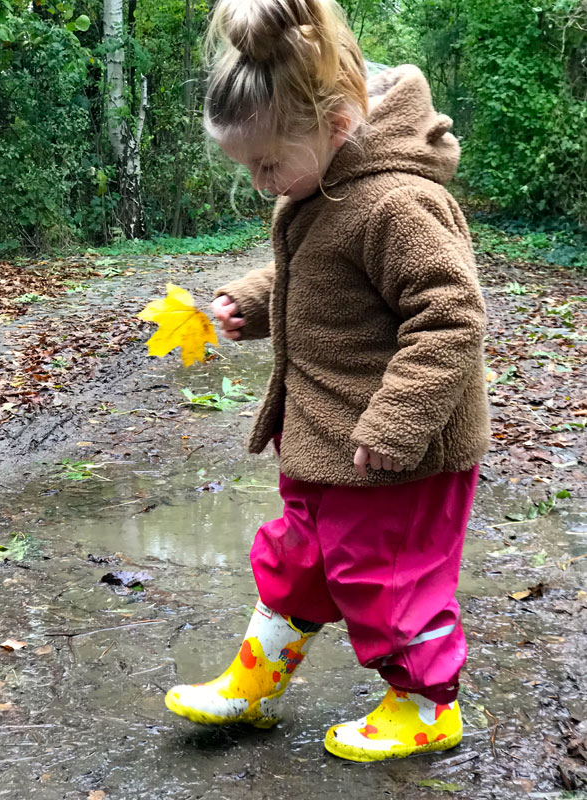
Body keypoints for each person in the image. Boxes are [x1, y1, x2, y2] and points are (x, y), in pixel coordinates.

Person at [165, 0, 490, 763]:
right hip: (326, 439)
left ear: (338, 124)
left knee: (386, 576)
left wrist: (395, 423)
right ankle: (257, 677)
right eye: (246, 166)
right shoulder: (326, 188)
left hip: (398, 450)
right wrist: (250, 298)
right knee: (296, 558)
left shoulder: (397, 202)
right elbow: (316, 275)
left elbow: (451, 317)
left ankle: (425, 703)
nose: (258, 182)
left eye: (267, 164)